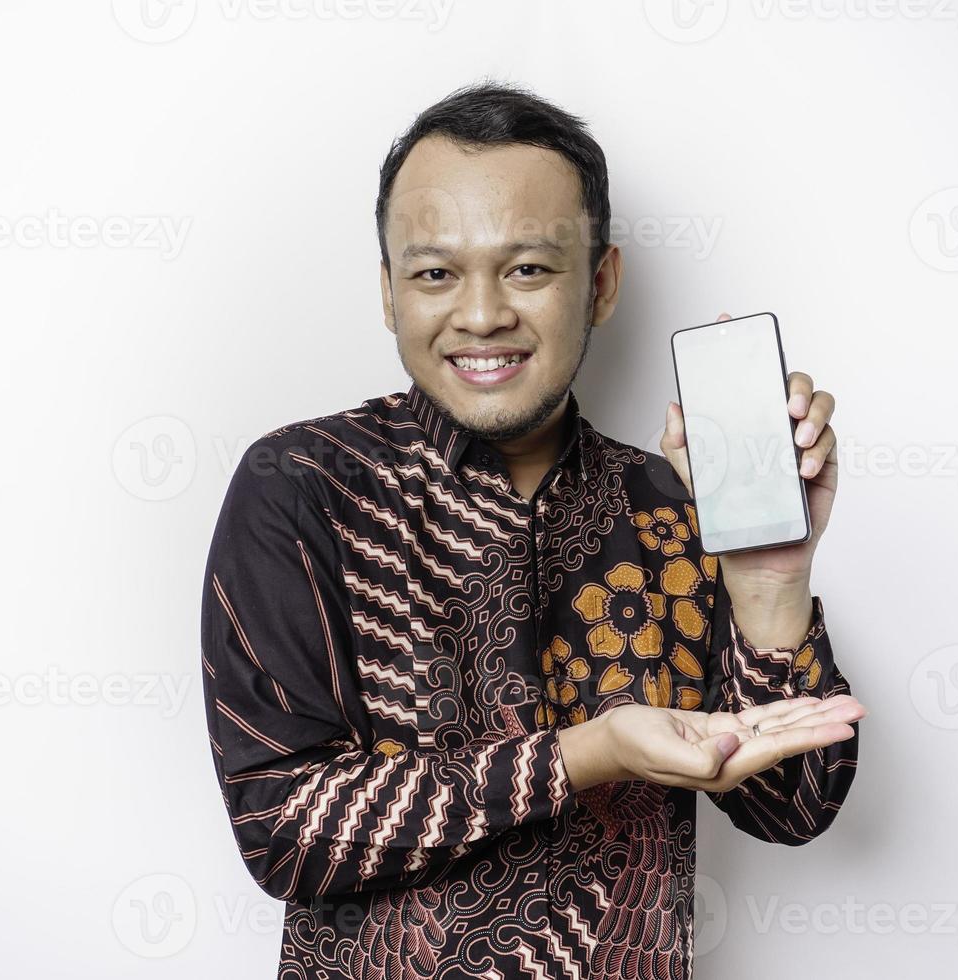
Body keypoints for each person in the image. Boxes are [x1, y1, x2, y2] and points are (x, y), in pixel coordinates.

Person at [200, 79, 867, 979]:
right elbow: (282, 830)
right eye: (435, 272)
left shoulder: (675, 503)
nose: (482, 315)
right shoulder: (302, 488)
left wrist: (770, 586)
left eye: (528, 268)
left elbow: (795, 808)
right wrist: (584, 755)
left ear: (600, 285)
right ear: (389, 293)